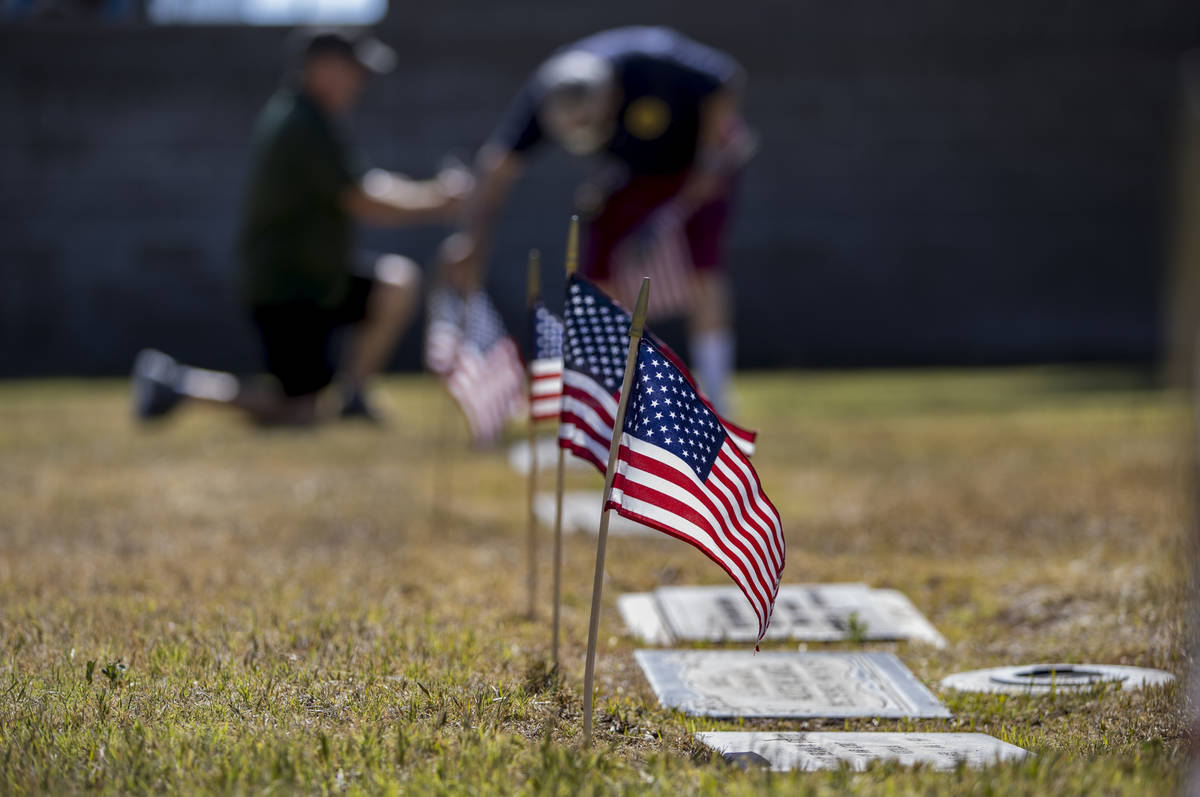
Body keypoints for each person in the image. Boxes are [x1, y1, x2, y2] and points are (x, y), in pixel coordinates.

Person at [134, 28, 470, 426]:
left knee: (397, 283)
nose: (360, 81)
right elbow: (364, 198)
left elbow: (363, 184)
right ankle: (178, 384)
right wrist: (438, 199)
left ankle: (354, 396)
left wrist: (434, 196)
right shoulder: (301, 124)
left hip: (320, 280)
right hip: (289, 291)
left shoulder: (314, 119)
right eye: (354, 69)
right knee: (299, 412)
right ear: (323, 69)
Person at [439, 26, 753, 412]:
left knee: (701, 270)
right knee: (596, 273)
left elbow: (725, 82)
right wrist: (471, 239)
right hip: (633, 173)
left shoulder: (651, 59)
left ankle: (717, 398)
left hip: (699, 164)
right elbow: (498, 166)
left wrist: (707, 162)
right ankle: (613, 399)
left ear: (612, 97)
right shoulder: (546, 95)